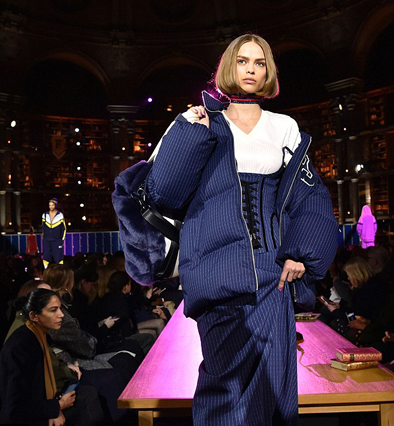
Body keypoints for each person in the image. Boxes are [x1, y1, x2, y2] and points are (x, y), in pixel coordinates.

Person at [145, 33, 338, 425]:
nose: (251, 69)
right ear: (228, 67)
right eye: (243, 61)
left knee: (273, 386)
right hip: (216, 270)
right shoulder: (199, 121)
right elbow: (164, 193)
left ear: (269, 72)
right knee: (223, 386)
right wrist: (191, 131)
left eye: (260, 62)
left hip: (272, 273)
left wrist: (302, 252)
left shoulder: (284, 126)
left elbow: (310, 195)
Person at [0, 288, 106, 426]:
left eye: (60, 309)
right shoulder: (22, 346)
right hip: (21, 418)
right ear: (34, 315)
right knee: (88, 399)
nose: (61, 315)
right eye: (53, 310)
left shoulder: (37, 334)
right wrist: (56, 408)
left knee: (88, 392)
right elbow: (15, 408)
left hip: (38, 407)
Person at [42, 198, 66, 268]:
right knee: (46, 257)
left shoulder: (60, 215)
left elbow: (64, 228)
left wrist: (62, 239)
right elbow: (43, 227)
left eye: (52, 205)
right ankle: (46, 271)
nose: (51, 207)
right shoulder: (44, 215)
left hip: (57, 240)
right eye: (49, 205)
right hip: (47, 240)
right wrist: (44, 238)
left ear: (55, 205)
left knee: (58, 257)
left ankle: (60, 271)